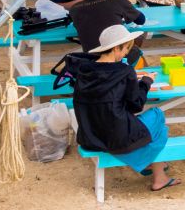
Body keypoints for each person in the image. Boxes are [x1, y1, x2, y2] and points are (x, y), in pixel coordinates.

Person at [67, 24, 176, 192]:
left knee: (153, 129)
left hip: (90, 136)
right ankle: (156, 173)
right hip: (116, 136)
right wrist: (146, 82)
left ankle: (153, 169)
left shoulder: (84, 70)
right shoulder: (124, 71)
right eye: (126, 48)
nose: (126, 53)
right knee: (158, 118)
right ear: (116, 48)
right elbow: (136, 105)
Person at [68, 0, 147, 52]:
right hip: (118, 55)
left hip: (91, 59)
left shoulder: (74, 9)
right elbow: (141, 20)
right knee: (137, 47)